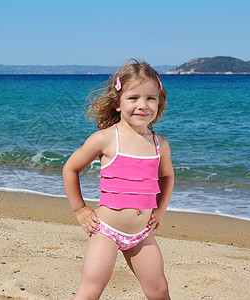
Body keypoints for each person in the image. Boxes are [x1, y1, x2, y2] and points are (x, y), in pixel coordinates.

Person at [63, 58, 174, 300]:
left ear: (159, 102)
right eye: (133, 98)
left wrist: (161, 209)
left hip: (142, 234)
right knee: (90, 291)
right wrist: (80, 209)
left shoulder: (159, 144)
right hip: (107, 231)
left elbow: (167, 176)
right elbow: (71, 168)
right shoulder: (106, 139)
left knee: (159, 290)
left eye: (150, 98)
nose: (142, 105)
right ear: (117, 103)